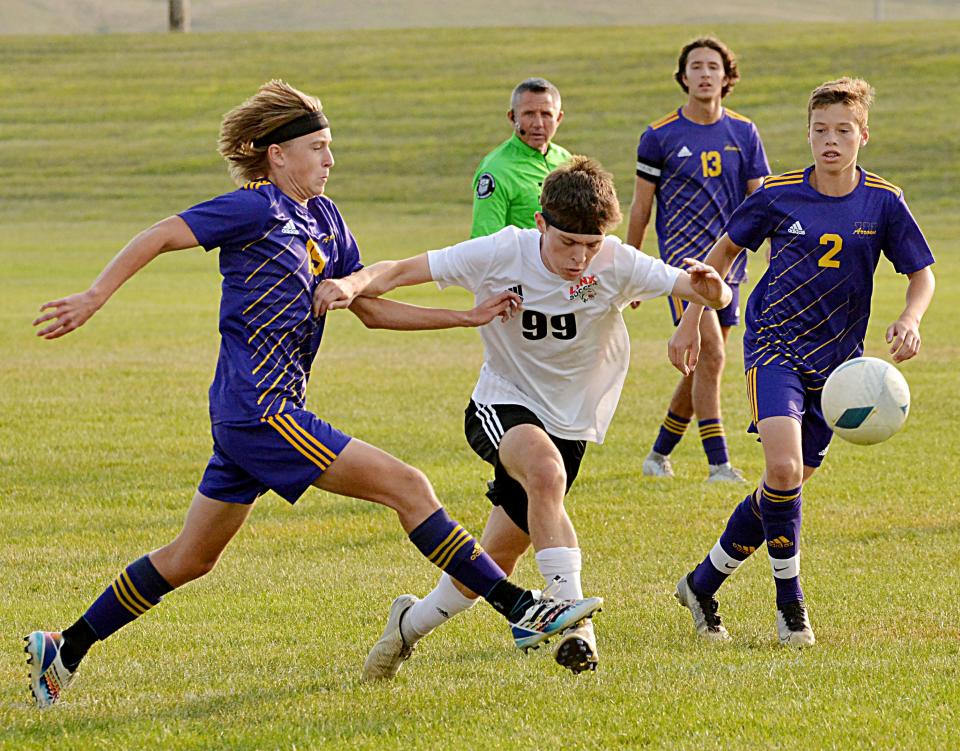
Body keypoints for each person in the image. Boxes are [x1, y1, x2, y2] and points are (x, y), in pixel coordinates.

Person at [23, 80, 603, 708]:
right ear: (278, 154)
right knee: (408, 487)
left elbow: (371, 308)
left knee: (191, 558)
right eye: (319, 148)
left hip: (252, 418)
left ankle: (67, 645)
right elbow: (161, 234)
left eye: (331, 148)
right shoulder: (255, 209)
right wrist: (94, 295)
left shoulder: (325, 220)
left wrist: (466, 318)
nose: (331, 160)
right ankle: (519, 608)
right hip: (261, 410)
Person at [313, 156, 732, 677]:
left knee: (487, 568)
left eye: (591, 246)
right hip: (502, 402)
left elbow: (703, 290)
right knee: (544, 469)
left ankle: (406, 626)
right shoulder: (502, 251)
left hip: (569, 424)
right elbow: (398, 272)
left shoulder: (617, 262)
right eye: (567, 244)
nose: (580, 259)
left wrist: (713, 293)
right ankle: (574, 622)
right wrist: (353, 284)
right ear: (540, 222)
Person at [669, 77, 935, 646]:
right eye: (820, 131)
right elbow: (722, 253)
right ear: (808, 134)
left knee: (782, 486)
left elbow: (921, 274)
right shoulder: (779, 193)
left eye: (843, 130)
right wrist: (693, 317)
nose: (830, 141)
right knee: (785, 472)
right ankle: (791, 607)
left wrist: (910, 320)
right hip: (775, 346)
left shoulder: (883, 200)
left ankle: (701, 582)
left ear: (864, 134)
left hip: (840, 367)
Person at [627, 36, 770, 482]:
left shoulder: (744, 133)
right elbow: (640, 209)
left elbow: (761, 202)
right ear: (683, 76)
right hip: (683, 269)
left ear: (727, 78)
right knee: (711, 357)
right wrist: (630, 269)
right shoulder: (659, 136)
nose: (705, 74)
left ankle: (658, 454)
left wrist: (778, 256)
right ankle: (719, 464)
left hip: (732, 268)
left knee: (701, 364)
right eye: (697, 66)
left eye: (714, 67)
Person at [470, 77, 571, 238]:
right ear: (512, 117)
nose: (538, 123)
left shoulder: (567, 161)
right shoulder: (496, 170)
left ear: (558, 118)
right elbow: (483, 241)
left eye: (546, 114)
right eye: (529, 114)